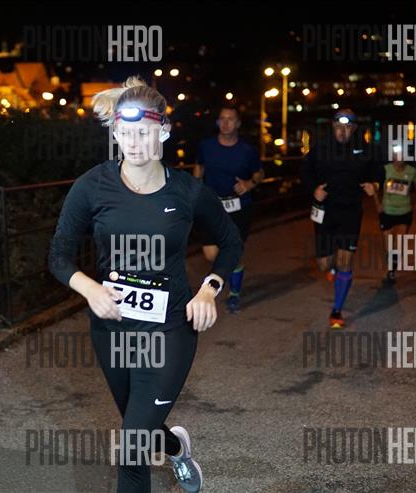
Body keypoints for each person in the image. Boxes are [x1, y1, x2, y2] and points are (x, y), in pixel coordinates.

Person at [48, 76, 243, 493]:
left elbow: (230, 242)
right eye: (125, 132)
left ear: (164, 132)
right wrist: (90, 288)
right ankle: (177, 447)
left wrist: (209, 288)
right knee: (141, 426)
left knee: (131, 447)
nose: (134, 143)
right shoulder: (92, 187)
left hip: (170, 329)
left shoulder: (187, 192)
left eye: (144, 132)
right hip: (112, 329)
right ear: (115, 133)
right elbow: (58, 256)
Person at [300, 108, 381, 329]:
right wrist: (313, 190)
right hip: (324, 211)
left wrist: (374, 184)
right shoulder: (321, 148)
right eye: (338, 126)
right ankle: (333, 270)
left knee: (346, 261)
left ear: (354, 128)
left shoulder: (365, 148)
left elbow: (378, 169)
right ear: (332, 126)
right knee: (324, 264)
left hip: (350, 211)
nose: (342, 131)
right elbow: (304, 171)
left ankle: (336, 311)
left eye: (347, 126)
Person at [193, 105, 264, 313]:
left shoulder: (247, 150)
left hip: (239, 207)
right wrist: (195, 189)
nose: (225, 123)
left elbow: (259, 173)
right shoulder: (206, 146)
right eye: (222, 119)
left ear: (238, 124)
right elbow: (199, 166)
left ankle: (234, 293)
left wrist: (249, 184)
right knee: (210, 253)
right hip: (212, 206)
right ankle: (231, 268)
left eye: (230, 119)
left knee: (233, 251)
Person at [373, 146, 416, 284]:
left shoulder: (411, 171)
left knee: (399, 244)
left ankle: (391, 270)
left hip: (404, 212)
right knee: (389, 244)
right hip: (387, 212)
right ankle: (390, 268)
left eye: (401, 155)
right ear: (393, 156)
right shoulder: (385, 169)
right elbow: (375, 186)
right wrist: (377, 203)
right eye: (396, 155)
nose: (399, 158)